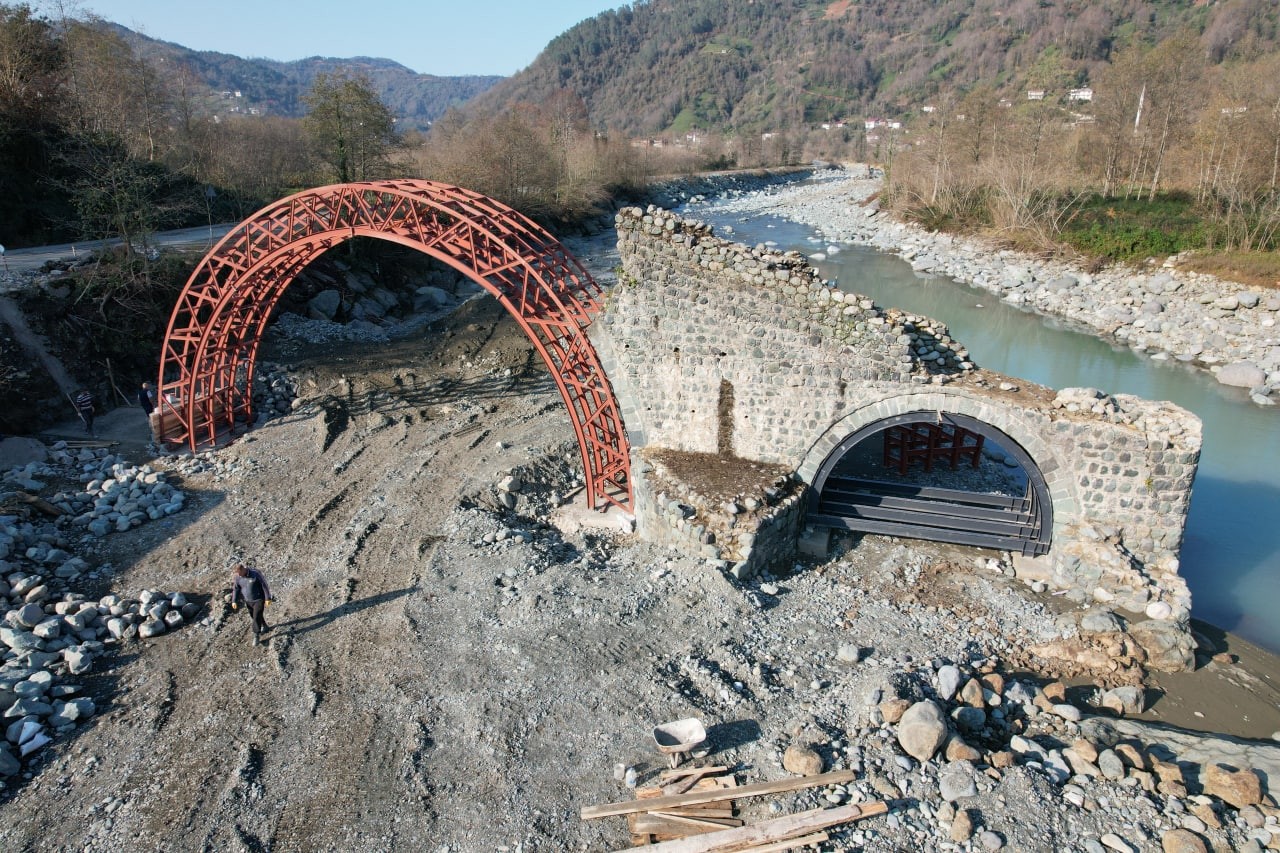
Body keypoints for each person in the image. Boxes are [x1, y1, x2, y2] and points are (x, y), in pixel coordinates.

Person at [230, 563, 274, 646]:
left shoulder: (255, 574)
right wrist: (234, 601)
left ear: (243, 569)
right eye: (237, 574)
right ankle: (264, 626)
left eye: (240, 573)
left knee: (256, 616)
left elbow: (264, 585)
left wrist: (268, 598)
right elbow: (236, 589)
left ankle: (256, 635)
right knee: (254, 616)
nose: (239, 575)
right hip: (248, 601)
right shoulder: (238, 577)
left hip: (259, 599)